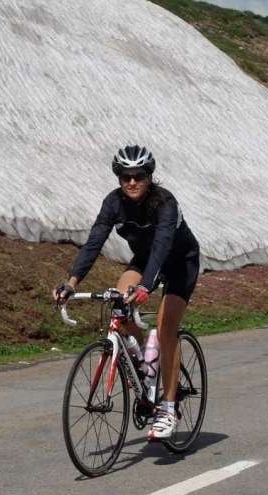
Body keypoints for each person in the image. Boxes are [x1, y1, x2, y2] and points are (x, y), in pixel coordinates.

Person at [53, 145, 201, 441]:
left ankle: (169, 408)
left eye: (139, 176)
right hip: (145, 261)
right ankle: (150, 357)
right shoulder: (113, 203)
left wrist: (146, 286)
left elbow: (161, 247)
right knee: (119, 305)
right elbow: (95, 241)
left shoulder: (164, 203)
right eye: (125, 176)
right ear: (118, 177)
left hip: (179, 261)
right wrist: (71, 283)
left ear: (149, 177)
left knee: (166, 327)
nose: (132, 182)